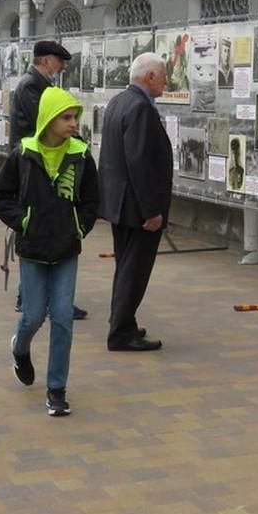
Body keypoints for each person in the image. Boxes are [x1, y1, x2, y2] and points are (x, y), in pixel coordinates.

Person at [0, 87, 99, 417]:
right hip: (33, 249)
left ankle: (56, 389)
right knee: (34, 314)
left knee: (63, 317)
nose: (73, 123)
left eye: (75, 117)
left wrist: (79, 226)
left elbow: (92, 201)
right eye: (66, 117)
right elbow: (0, 197)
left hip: (66, 248)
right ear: (49, 120)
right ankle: (20, 348)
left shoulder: (81, 155)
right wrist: (25, 221)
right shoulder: (22, 155)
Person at [99, 52, 173, 352]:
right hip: (137, 208)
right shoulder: (141, 108)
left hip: (120, 204)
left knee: (126, 265)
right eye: (164, 76)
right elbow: (139, 162)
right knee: (134, 269)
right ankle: (120, 333)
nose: (167, 82)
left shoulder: (120, 101)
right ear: (150, 77)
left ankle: (123, 322)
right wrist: (152, 211)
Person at [9, 41, 86, 321]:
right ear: (45, 61)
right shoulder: (32, 86)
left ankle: (40, 298)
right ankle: (38, 300)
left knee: (46, 227)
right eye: (59, 61)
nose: (63, 66)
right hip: (34, 165)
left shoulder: (38, 85)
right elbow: (44, 125)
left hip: (43, 163)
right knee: (38, 228)